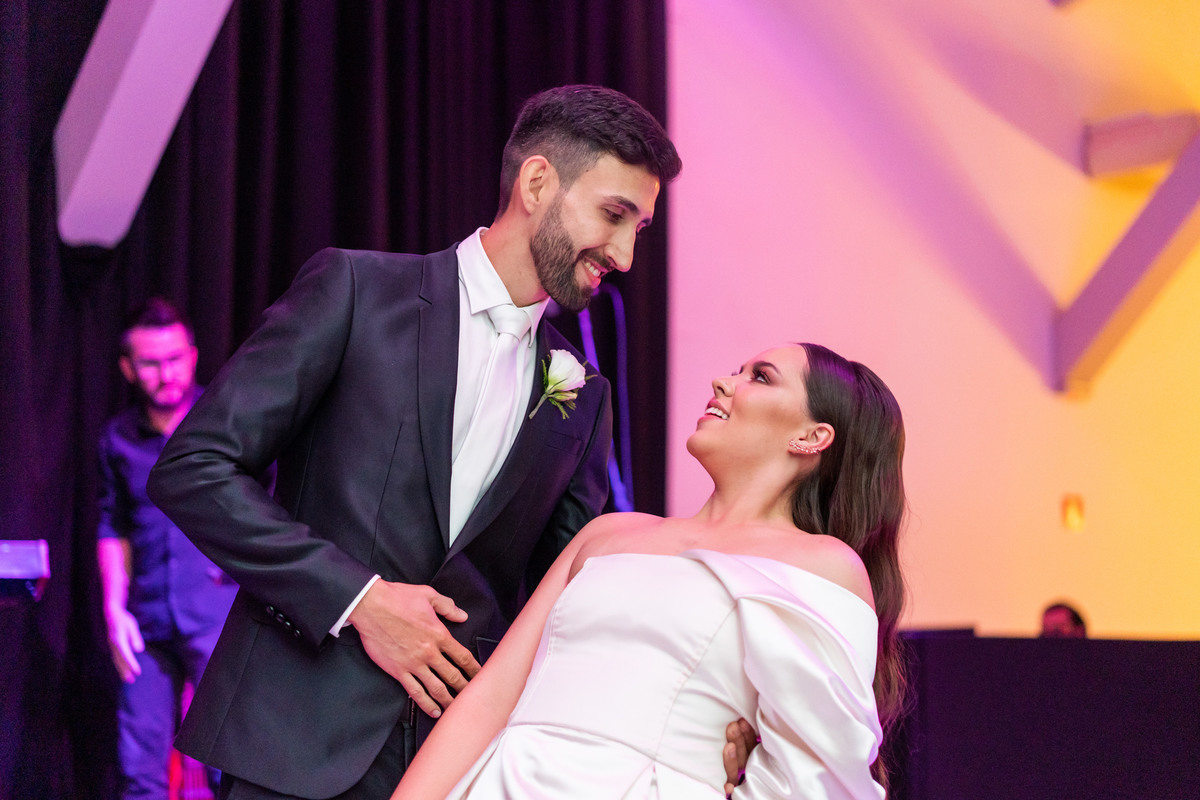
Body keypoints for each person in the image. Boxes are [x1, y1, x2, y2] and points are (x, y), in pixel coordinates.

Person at [147, 85, 766, 800]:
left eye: (640, 228)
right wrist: (359, 599)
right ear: (537, 182)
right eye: (613, 214)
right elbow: (195, 468)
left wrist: (710, 703)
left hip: (457, 763)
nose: (625, 255)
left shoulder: (581, 396)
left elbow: (570, 599)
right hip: (291, 740)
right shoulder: (357, 291)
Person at [392, 342, 909, 799]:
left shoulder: (823, 566)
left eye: (761, 376)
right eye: (738, 369)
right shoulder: (608, 534)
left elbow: (818, 779)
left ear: (812, 436)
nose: (723, 382)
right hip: (505, 780)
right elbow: (489, 701)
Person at [97, 298, 236, 799]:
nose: (165, 373)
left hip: (216, 612)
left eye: (174, 359)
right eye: (151, 363)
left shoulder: (221, 425)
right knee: (140, 769)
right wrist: (114, 609)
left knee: (229, 763)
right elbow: (112, 527)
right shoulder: (118, 439)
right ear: (128, 369)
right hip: (147, 619)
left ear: (193, 356)